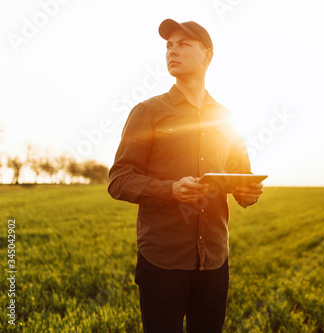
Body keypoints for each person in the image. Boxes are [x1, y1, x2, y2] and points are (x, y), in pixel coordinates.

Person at [108, 19, 263, 333]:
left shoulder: (229, 119)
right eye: (169, 46)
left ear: (207, 56)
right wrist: (171, 190)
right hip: (161, 260)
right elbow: (119, 179)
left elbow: (241, 177)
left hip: (215, 261)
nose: (172, 51)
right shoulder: (147, 112)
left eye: (183, 44)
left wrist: (248, 194)